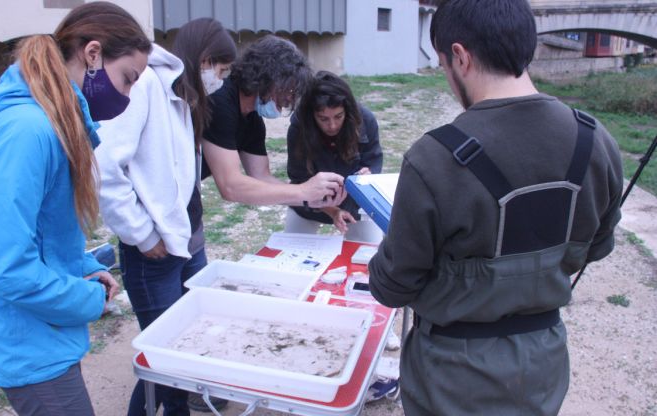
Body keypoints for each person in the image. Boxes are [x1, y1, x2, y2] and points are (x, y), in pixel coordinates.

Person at [367, 1, 623, 415]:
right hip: (542, 367)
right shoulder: (596, 142)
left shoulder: (432, 158)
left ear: (461, 57)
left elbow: (393, 286)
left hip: (450, 379)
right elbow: (597, 247)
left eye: (443, 65)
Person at [0, 3, 150, 415]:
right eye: (128, 79)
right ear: (92, 54)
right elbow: (5, 265)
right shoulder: (28, 131)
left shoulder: (49, 122)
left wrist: (79, 266)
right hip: (25, 343)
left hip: (38, 333)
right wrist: (86, 299)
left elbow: (39, 232)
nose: (127, 96)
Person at [95, 18, 235, 416]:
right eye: (220, 72)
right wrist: (141, 233)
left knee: (181, 354)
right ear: (204, 60)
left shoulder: (181, 95)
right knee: (166, 361)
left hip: (182, 243)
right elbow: (105, 168)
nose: (220, 81)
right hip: (153, 251)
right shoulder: (144, 87)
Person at [202, 35, 346, 209]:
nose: (289, 98)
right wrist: (303, 191)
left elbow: (261, 177)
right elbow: (230, 186)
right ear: (267, 77)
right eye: (289, 88)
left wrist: (311, 200)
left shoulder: (253, 120)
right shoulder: (220, 102)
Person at [285, 71, 383, 242]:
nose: (332, 126)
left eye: (338, 116)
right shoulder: (299, 127)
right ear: (312, 115)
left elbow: (374, 161)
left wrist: (369, 175)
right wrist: (332, 210)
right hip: (310, 202)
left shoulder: (365, 120)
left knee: (368, 256)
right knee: (291, 253)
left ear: (348, 110)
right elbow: (299, 179)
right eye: (323, 119)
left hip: (355, 202)